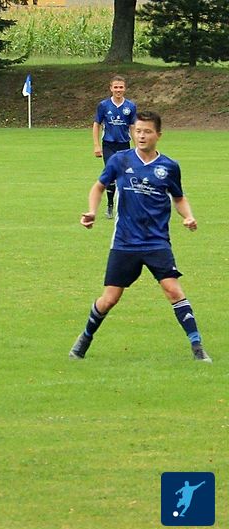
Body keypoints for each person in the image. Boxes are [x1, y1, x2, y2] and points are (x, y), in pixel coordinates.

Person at [69, 111, 211, 363]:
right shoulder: (120, 160)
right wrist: (92, 211)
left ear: (158, 135)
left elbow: (178, 197)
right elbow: (98, 187)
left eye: (147, 131)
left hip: (157, 242)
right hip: (125, 242)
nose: (142, 136)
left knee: (173, 290)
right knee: (109, 299)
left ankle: (197, 346)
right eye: (138, 131)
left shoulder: (169, 166)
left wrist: (188, 216)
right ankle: (84, 339)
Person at [92, 75, 137, 219]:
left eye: (121, 87)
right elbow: (96, 125)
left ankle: (124, 206)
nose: (118, 90)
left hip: (124, 145)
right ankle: (110, 205)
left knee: (124, 175)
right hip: (108, 145)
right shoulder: (104, 105)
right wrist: (96, 145)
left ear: (125, 88)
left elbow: (133, 127)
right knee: (111, 174)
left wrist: (138, 147)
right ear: (111, 88)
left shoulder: (130, 106)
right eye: (116, 87)